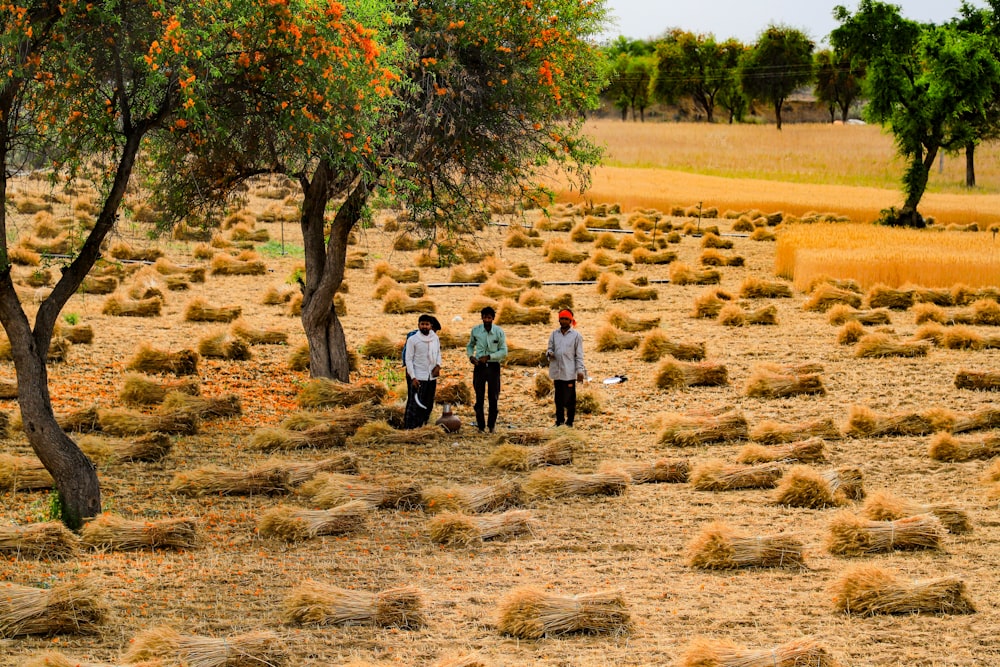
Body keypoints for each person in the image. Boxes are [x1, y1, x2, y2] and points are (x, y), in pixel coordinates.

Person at [466, 306, 507, 433]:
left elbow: (504, 351)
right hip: (479, 367)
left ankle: (491, 425)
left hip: (493, 367)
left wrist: (489, 357)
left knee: (493, 397)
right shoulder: (476, 331)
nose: (487, 320)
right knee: (479, 397)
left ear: (493, 318)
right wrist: (471, 356)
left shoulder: (499, 332)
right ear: (482, 317)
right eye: (485, 317)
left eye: (489, 317)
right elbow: (470, 345)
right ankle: (480, 426)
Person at [546, 308, 586, 427]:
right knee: (558, 399)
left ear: (570, 320)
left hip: (569, 372)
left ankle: (569, 422)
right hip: (557, 371)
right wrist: (549, 353)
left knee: (569, 399)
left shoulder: (576, 336)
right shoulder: (554, 334)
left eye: (566, 319)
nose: (563, 321)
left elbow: (579, 355)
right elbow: (549, 348)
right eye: (561, 318)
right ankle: (559, 421)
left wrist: (580, 371)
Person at [403, 314, 441, 429]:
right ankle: (410, 430)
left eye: (427, 324)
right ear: (418, 325)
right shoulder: (413, 339)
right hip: (418, 377)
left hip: (431, 377)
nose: (425, 326)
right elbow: (408, 359)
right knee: (414, 405)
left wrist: (438, 366)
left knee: (427, 404)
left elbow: (438, 353)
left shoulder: (435, 338)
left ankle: (422, 427)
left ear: (431, 326)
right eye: (422, 324)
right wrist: (413, 377)